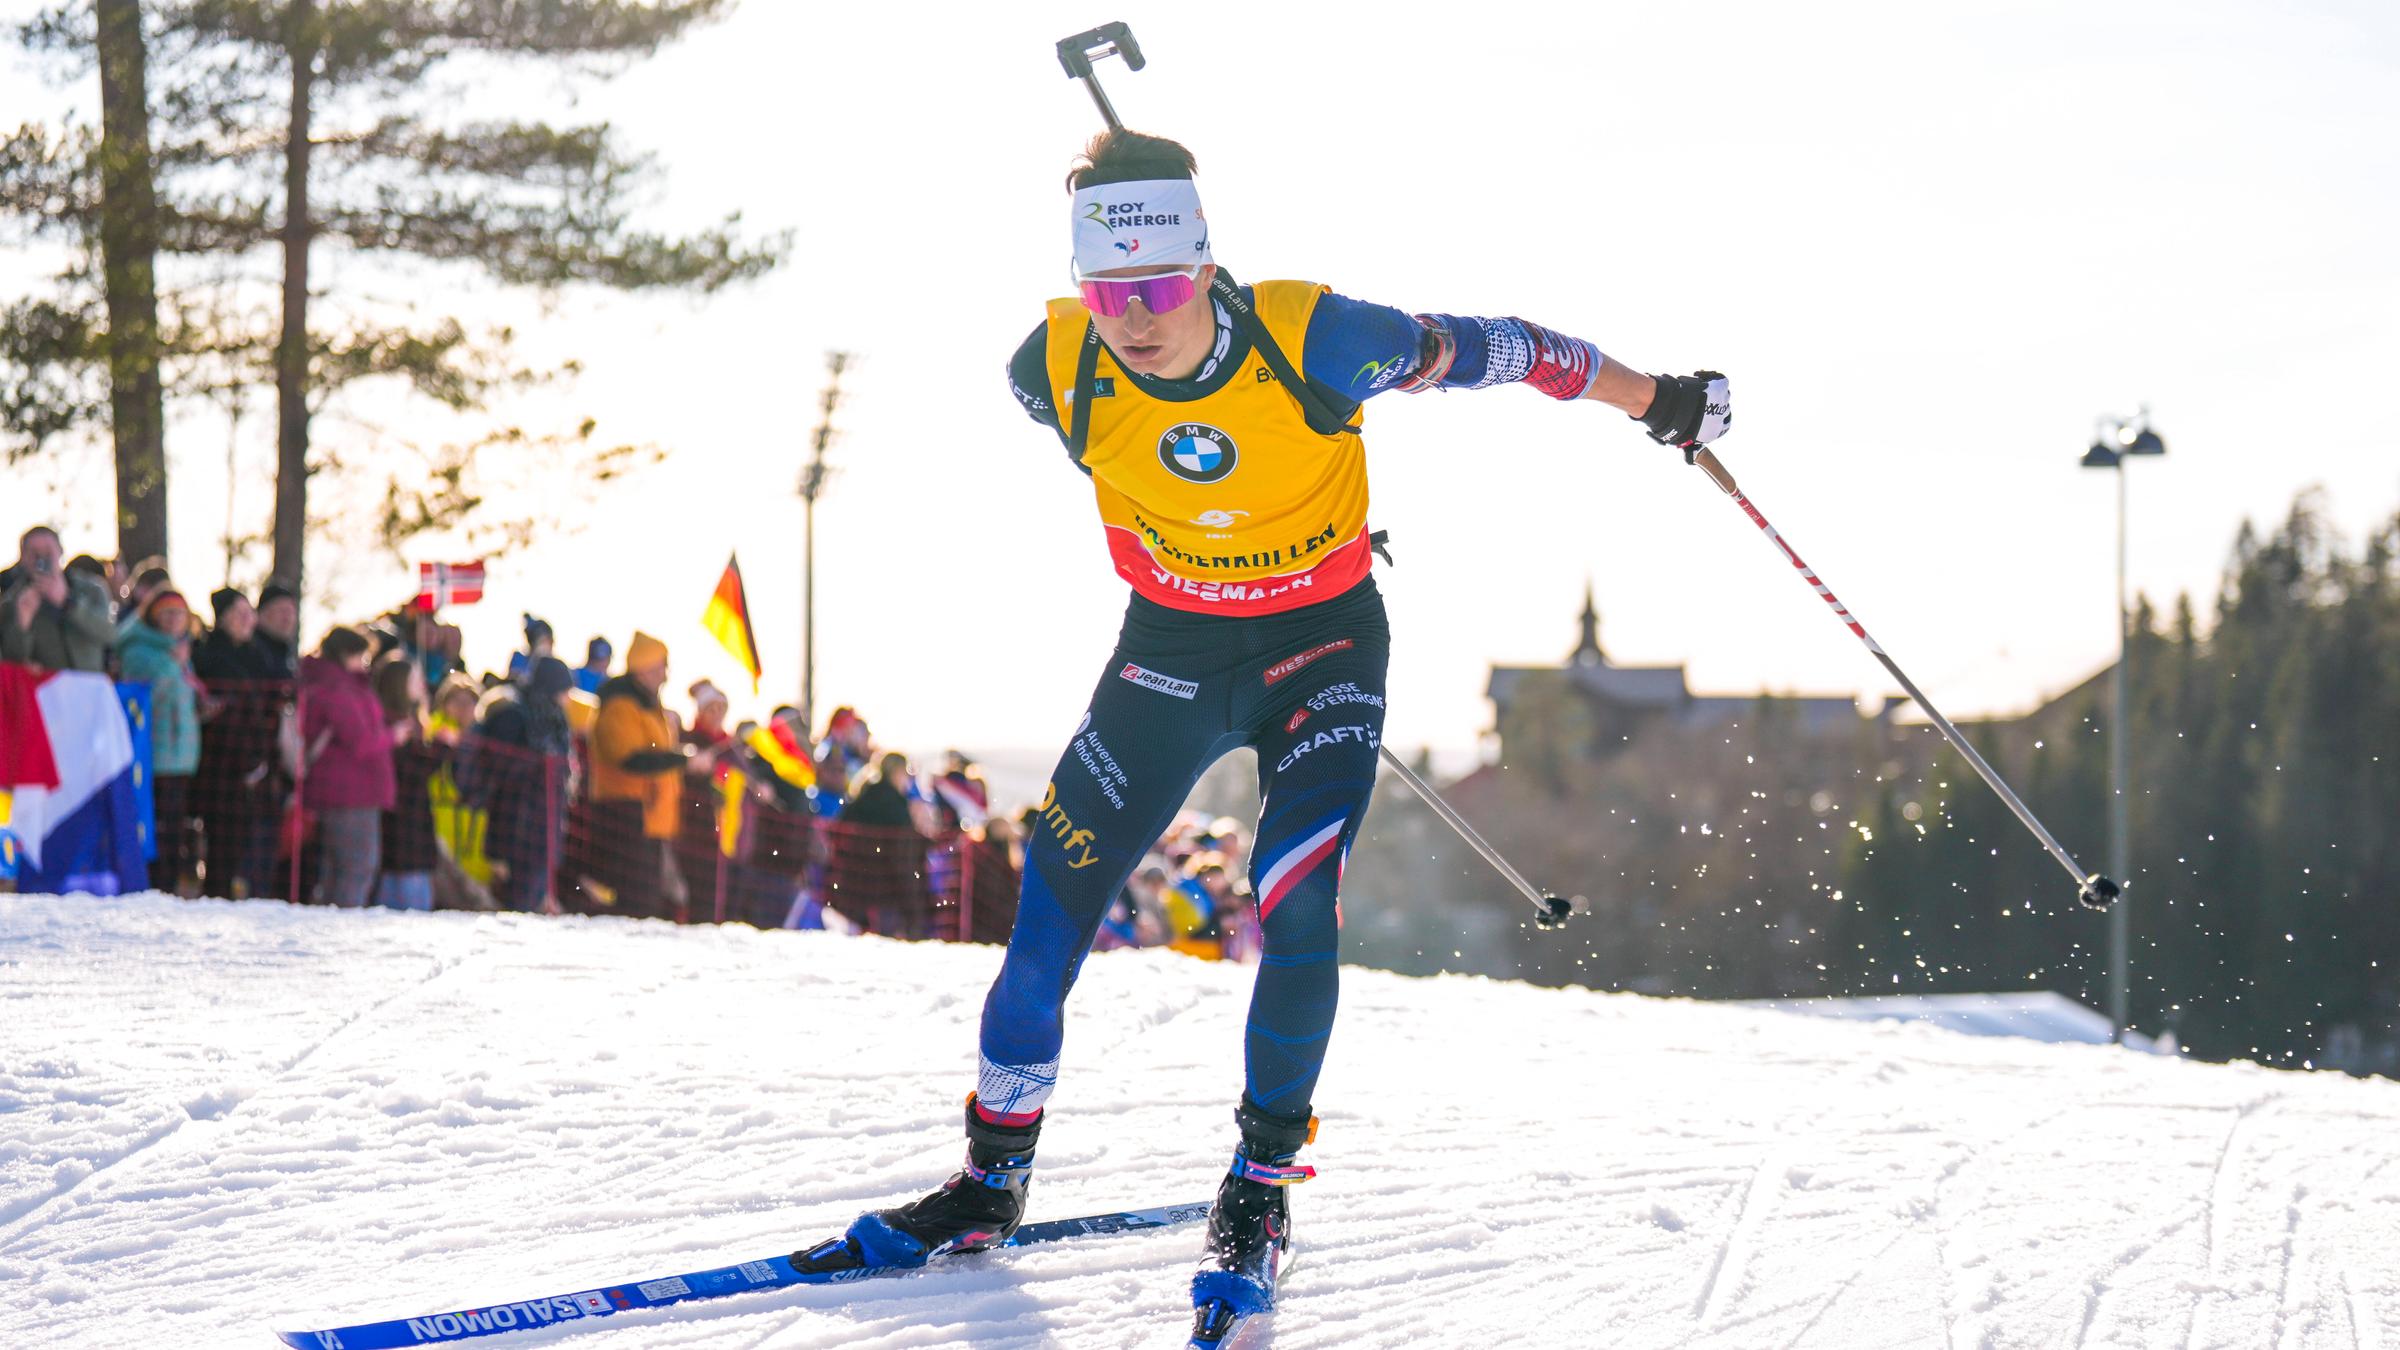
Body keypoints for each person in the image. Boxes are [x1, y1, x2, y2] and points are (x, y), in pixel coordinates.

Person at [792, 128, 1734, 1332]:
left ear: (1203, 263)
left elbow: (1512, 352)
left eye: (1160, 286)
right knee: (1046, 917)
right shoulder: (1051, 369)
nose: (1134, 316)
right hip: (1169, 655)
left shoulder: (1322, 338)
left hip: (1321, 655)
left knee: (1294, 904)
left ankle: (1260, 1186)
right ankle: (990, 1180)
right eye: (1107, 289)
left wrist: (1659, 399)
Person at [586, 631, 686, 919]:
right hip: (626, 812)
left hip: (649, 818)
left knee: (646, 903)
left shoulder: (648, 706)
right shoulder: (621, 705)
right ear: (643, 668)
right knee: (633, 903)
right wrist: (681, 760)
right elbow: (629, 758)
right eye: (660, 667)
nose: (665, 676)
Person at [299, 626, 397, 908]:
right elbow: (361, 741)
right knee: (356, 868)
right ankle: (343, 930)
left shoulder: (333, 683)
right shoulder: (338, 688)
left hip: (345, 791)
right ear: (346, 654)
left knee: (337, 870)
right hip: (351, 793)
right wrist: (393, 735)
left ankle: (331, 926)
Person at [467, 656, 574, 913]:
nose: (568, 699)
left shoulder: (552, 719)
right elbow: (499, 770)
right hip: (517, 826)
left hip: (541, 826)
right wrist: (538, 763)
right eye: (564, 690)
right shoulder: (513, 715)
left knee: (530, 895)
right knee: (518, 900)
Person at [117, 590, 203, 893]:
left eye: (179, 614)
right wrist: (174, 663)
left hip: (181, 756)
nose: (173, 620)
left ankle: (169, 887)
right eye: (166, 613)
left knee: (175, 830)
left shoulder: (180, 652)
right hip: (152, 754)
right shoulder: (139, 650)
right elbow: (147, 695)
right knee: (156, 827)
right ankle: (151, 886)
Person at [0, 526, 116, 673]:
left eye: (48, 552)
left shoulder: (92, 590)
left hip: (87, 686)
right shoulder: (12, 602)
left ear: (60, 551)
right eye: (34, 553)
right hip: (45, 689)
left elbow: (108, 634)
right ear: (23, 558)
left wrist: (68, 603)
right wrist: (22, 623)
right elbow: (11, 660)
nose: (41, 559)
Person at [373, 654, 439, 910]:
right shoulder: (391, 723)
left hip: (412, 826)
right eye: (415, 678)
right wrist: (442, 749)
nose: (422, 684)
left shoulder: (413, 722)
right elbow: (410, 772)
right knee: (405, 897)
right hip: (401, 826)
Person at [253, 584, 300, 679]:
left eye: (291, 612)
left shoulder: (285, 654)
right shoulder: (252, 651)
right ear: (262, 615)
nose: (288, 618)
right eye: (282, 611)